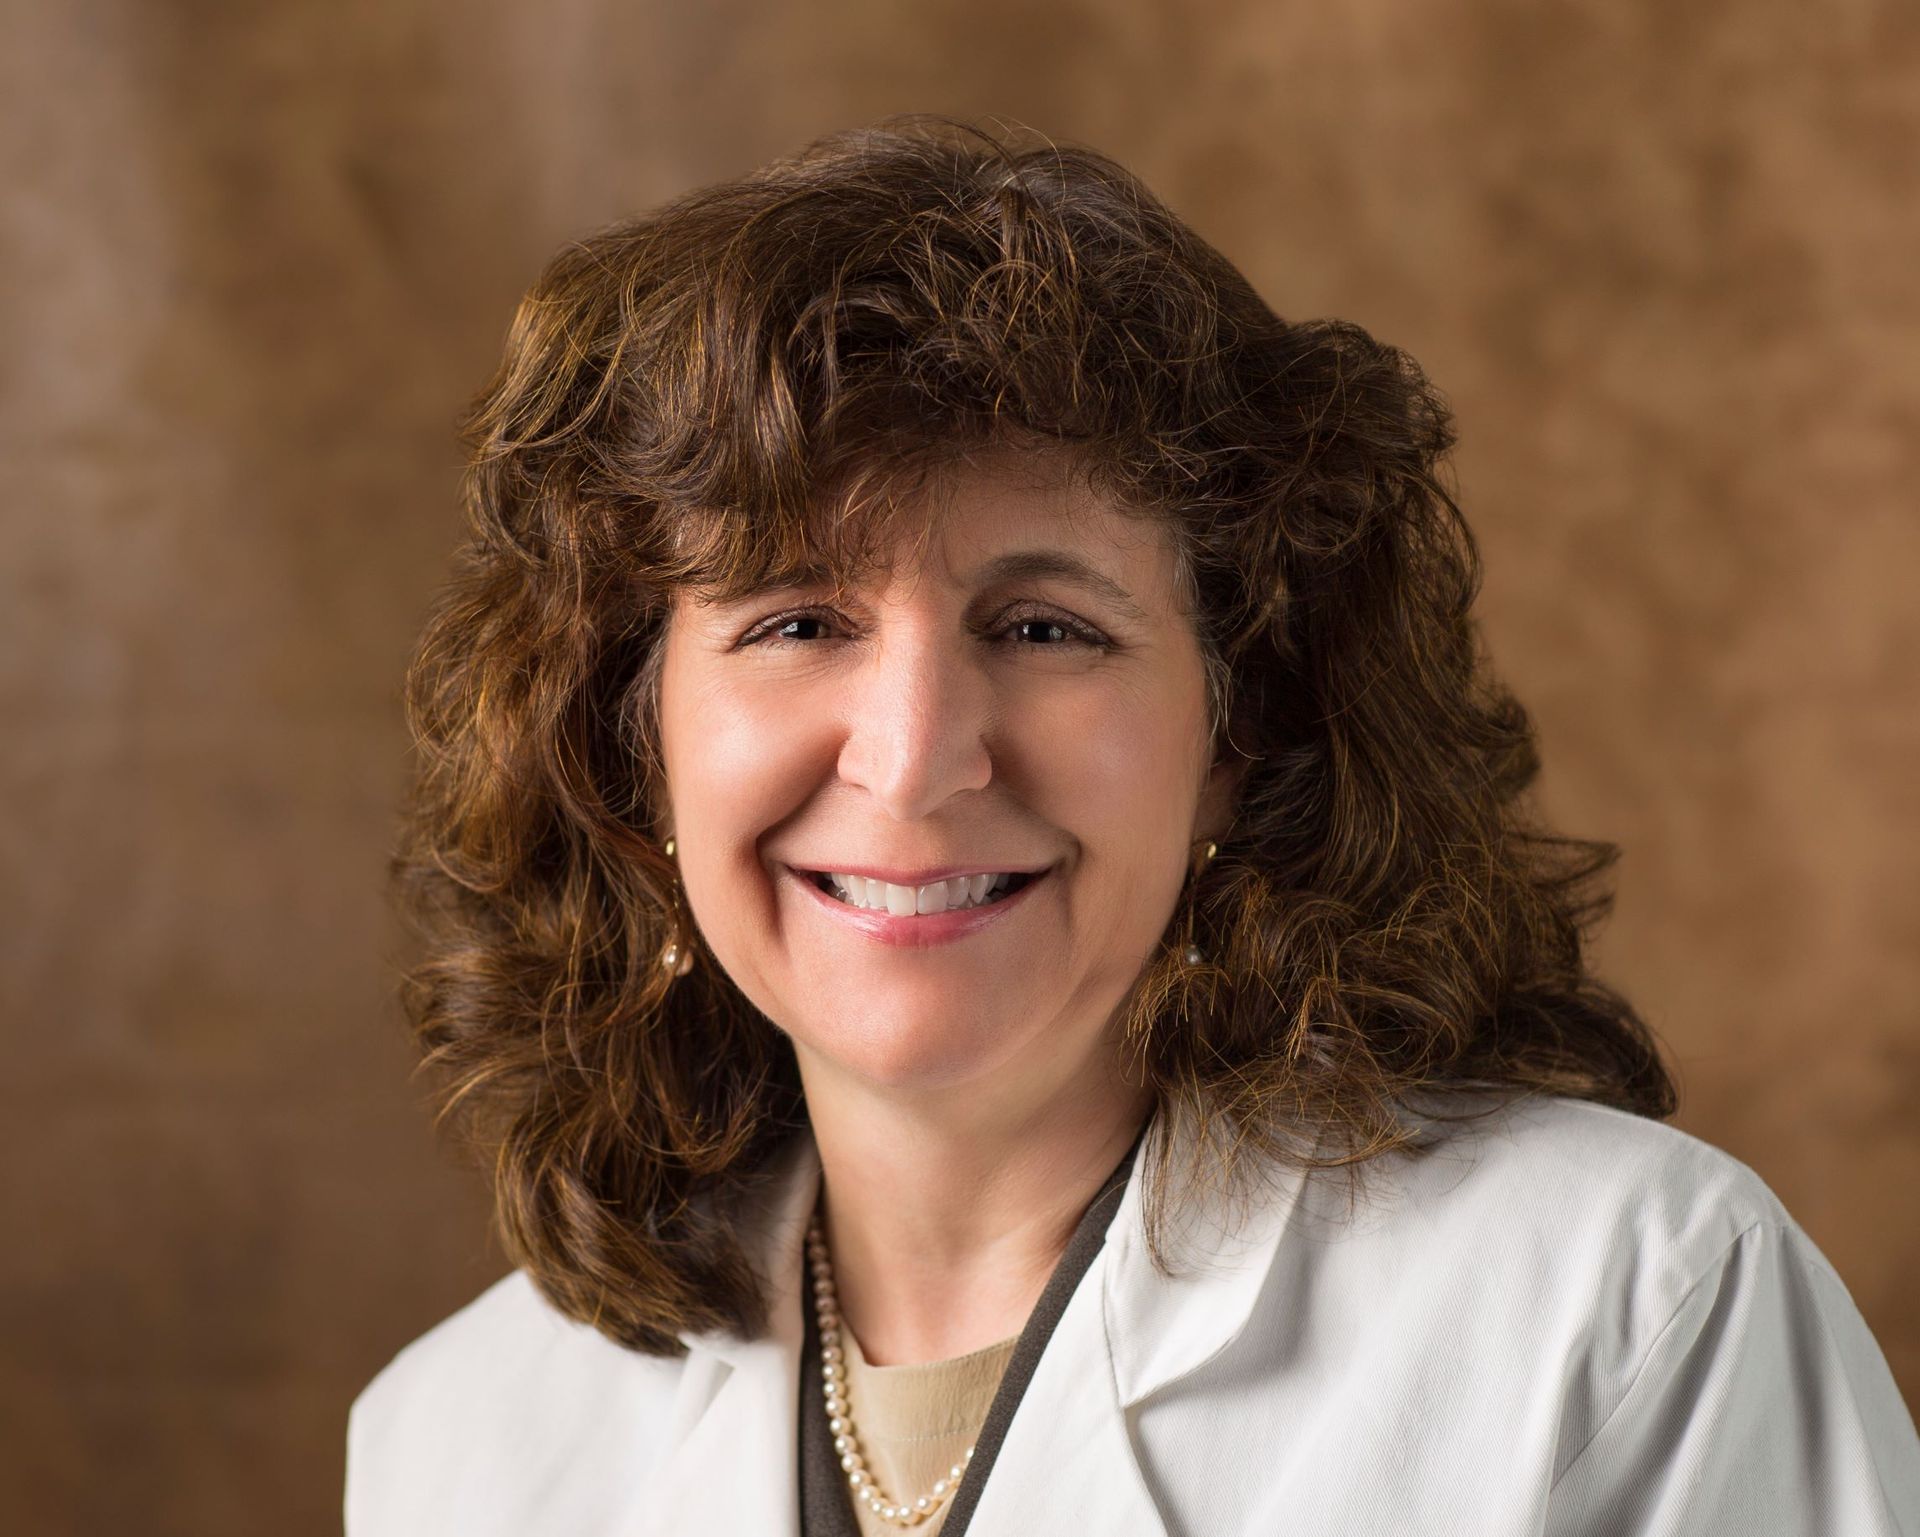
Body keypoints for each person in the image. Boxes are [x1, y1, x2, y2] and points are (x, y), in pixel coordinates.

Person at [345, 117, 1920, 1535]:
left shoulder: (1620, 1315)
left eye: (1045, 627)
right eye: (798, 622)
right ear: (631, 748)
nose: (915, 760)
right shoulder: (458, 1444)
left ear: (1239, 733)